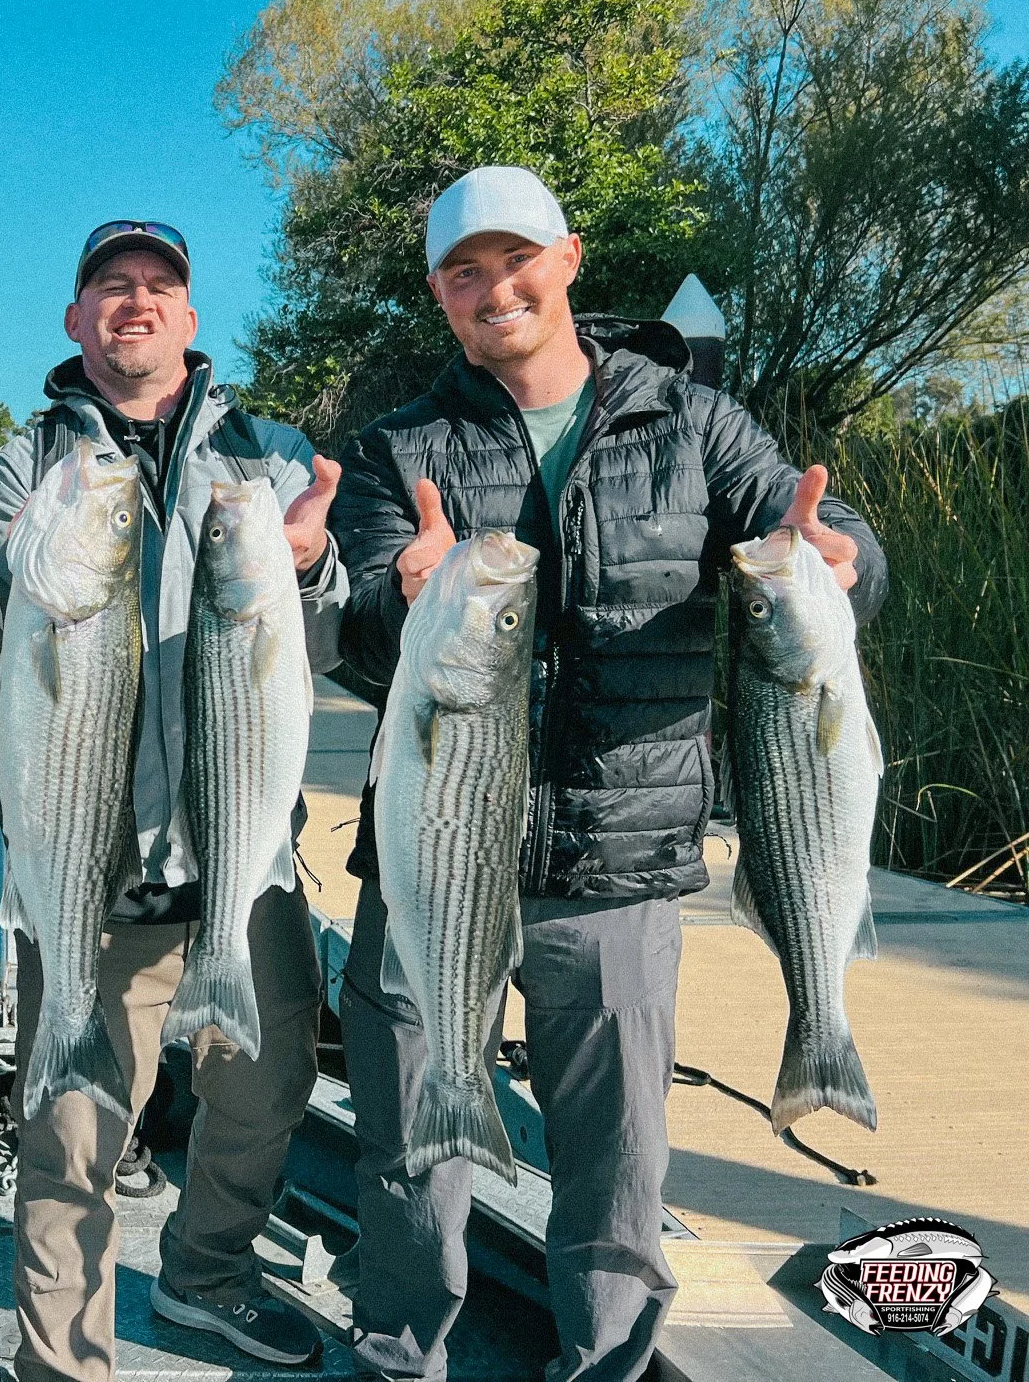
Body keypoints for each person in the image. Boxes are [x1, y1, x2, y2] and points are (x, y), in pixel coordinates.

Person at [330, 165, 888, 1382]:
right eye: (464, 273)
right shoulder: (399, 447)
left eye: (515, 260)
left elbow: (801, 536)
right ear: (438, 294)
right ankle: (396, 1356)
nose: (495, 289)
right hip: (431, 860)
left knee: (619, 1159)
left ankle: (606, 1367)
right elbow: (362, 638)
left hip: (621, 864)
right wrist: (402, 596)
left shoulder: (690, 420)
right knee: (412, 1152)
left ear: (569, 261)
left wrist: (849, 561)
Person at [0, 221, 347, 1382]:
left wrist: (315, 571)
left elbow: (324, 644)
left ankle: (206, 1279)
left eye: (159, 287)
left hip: (244, 848)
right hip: (86, 851)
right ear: (76, 320)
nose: (136, 302)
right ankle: (60, 1355)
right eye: (111, 287)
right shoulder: (22, 461)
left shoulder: (273, 452)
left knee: (267, 1084)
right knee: (72, 1124)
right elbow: (1, 601)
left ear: (192, 320)